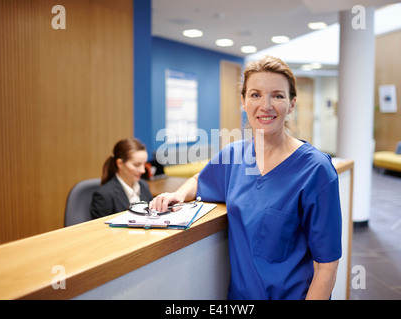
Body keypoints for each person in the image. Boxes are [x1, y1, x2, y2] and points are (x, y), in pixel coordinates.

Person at [149, 56, 342, 300]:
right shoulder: (233, 155)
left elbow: (327, 266)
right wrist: (178, 194)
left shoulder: (316, 170)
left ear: (292, 104)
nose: (266, 105)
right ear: (243, 101)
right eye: (255, 95)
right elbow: (200, 180)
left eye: (278, 95)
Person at [91, 137, 153, 219]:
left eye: (144, 164)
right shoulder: (104, 195)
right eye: (137, 165)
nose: (143, 170)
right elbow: (102, 229)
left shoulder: (143, 185)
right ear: (120, 163)